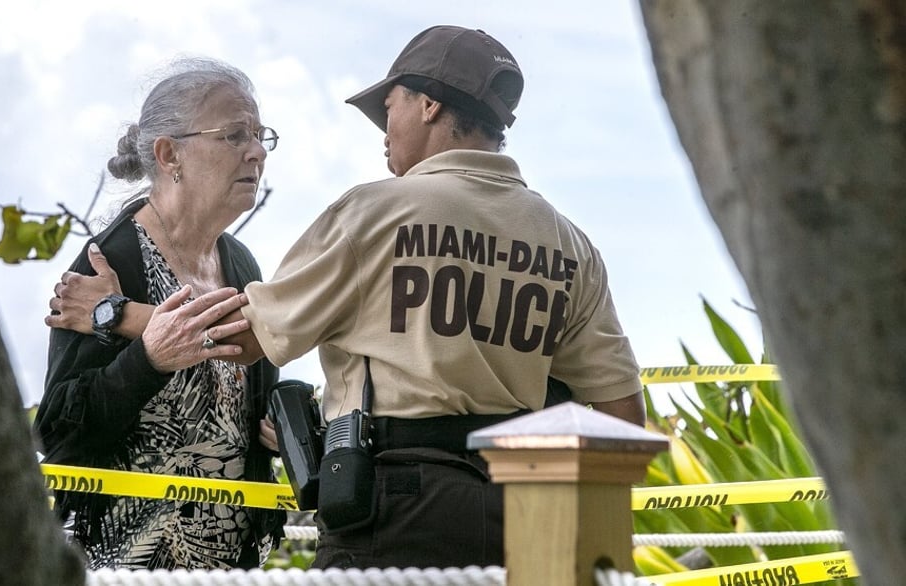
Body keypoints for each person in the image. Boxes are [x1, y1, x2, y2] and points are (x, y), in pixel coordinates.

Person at [50, 26, 646, 569]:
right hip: (526, 520)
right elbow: (625, 417)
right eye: (236, 136)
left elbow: (246, 339)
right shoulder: (570, 244)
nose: (385, 132)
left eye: (389, 109)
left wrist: (114, 314)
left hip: (393, 512)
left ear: (428, 104)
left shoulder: (374, 214)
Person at [35, 57, 286, 570]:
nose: (257, 152)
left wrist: (279, 422)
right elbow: (59, 432)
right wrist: (146, 360)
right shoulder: (111, 261)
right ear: (169, 154)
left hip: (230, 568)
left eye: (261, 136)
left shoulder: (241, 263)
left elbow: (243, 401)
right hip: (123, 565)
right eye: (235, 135)